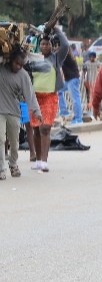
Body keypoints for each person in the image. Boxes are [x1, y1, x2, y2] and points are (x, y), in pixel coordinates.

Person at [28, 26, 69, 173]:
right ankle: (38, 160)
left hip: (50, 98)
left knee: (45, 128)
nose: (45, 46)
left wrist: (56, 30)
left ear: (52, 46)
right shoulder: (33, 58)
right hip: (34, 99)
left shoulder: (56, 58)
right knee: (36, 131)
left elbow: (65, 45)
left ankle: (45, 161)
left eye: (48, 44)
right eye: (43, 44)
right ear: (39, 46)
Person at [0, 49, 42, 180]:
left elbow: (30, 95)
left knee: (14, 141)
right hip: (0, 111)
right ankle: (1, 168)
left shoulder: (23, 75)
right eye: (17, 63)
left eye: (21, 65)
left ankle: (13, 164)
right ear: (11, 60)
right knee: (0, 140)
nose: (18, 67)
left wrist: (37, 112)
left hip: (14, 111)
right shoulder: (1, 69)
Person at [58, 49, 83, 125]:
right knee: (59, 91)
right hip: (69, 79)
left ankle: (78, 119)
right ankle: (64, 111)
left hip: (72, 79)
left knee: (75, 99)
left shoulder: (66, 56)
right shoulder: (67, 55)